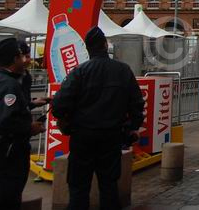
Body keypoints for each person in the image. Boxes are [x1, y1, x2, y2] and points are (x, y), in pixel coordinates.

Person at [52, 27, 144, 210]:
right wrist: (133, 126)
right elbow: (137, 103)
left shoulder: (79, 71)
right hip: (111, 136)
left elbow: (59, 105)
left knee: (79, 187)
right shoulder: (123, 71)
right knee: (109, 186)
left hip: (82, 137)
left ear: (87, 48)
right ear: (104, 45)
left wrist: (67, 124)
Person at [0, 38, 44, 209]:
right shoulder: (9, 85)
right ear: (14, 59)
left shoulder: (11, 80)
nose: (26, 60)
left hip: (7, 152)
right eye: (22, 56)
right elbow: (6, 120)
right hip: (9, 153)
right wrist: (30, 128)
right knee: (9, 196)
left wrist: (31, 103)